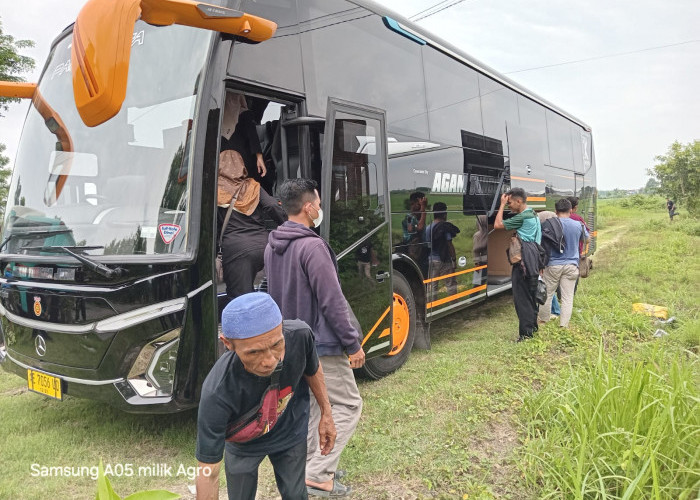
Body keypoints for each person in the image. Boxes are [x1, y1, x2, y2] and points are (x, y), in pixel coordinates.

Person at [264, 178, 365, 497]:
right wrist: (352, 343)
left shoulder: (272, 245)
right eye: (318, 203)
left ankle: (314, 464)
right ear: (308, 207)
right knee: (349, 405)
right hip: (321, 345)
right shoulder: (313, 246)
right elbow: (331, 301)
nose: (320, 208)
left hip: (291, 342)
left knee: (313, 406)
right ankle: (320, 474)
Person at [195, 293, 336, 500]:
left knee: (296, 495)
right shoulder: (217, 391)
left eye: (277, 345)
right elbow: (208, 474)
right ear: (228, 343)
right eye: (254, 353)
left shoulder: (299, 335)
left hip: (289, 429)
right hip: (244, 444)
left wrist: (326, 413)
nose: (270, 360)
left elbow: (312, 367)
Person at [217, 93, 286, 299]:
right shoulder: (252, 185)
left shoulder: (215, 192)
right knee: (272, 294)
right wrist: (291, 228)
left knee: (241, 300)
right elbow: (274, 207)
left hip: (236, 251)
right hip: (263, 246)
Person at [494, 188, 543, 342]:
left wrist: (500, 205)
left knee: (522, 299)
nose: (509, 206)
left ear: (519, 201)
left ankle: (526, 335)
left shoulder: (521, 217)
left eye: (509, 203)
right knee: (530, 296)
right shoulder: (533, 213)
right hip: (534, 258)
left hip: (523, 262)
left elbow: (497, 225)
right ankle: (532, 330)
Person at [538, 199, 589, 328]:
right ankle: (563, 326)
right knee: (567, 297)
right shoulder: (578, 225)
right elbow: (587, 239)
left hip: (553, 265)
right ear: (570, 210)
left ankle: (544, 321)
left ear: (556, 211)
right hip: (572, 266)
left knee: (548, 294)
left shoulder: (548, 224)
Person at [424, 202, 459, 298]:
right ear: (444, 213)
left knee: (432, 286)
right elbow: (449, 244)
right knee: (450, 284)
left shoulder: (428, 228)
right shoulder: (444, 227)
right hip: (444, 260)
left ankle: (432, 306)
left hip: (431, 259)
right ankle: (454, 305)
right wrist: (454, 260)